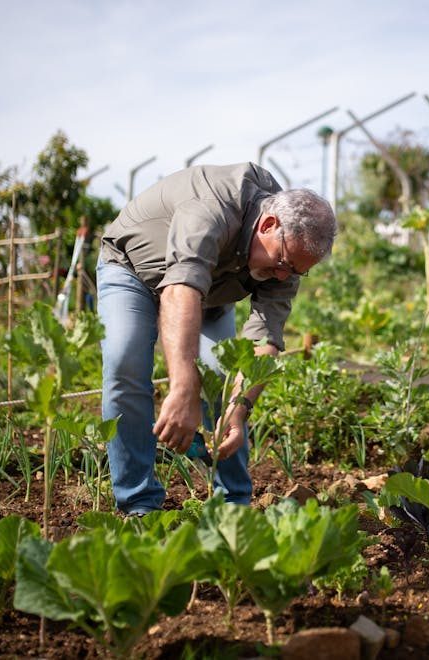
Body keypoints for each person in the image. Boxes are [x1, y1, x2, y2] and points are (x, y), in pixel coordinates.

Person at [97, 162, 336, 514]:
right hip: (133, 270)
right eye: (283, 262)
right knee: (125, 361)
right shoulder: (212, 207)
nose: (284, 275)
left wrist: (238, 412)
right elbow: (180, 291)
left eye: (296, 271)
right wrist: (183, 388)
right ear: (268, 225)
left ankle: (233, 507)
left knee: (223, 378)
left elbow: (263, 341)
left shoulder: (287, 259)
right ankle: (139, 505)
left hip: (209, 293)